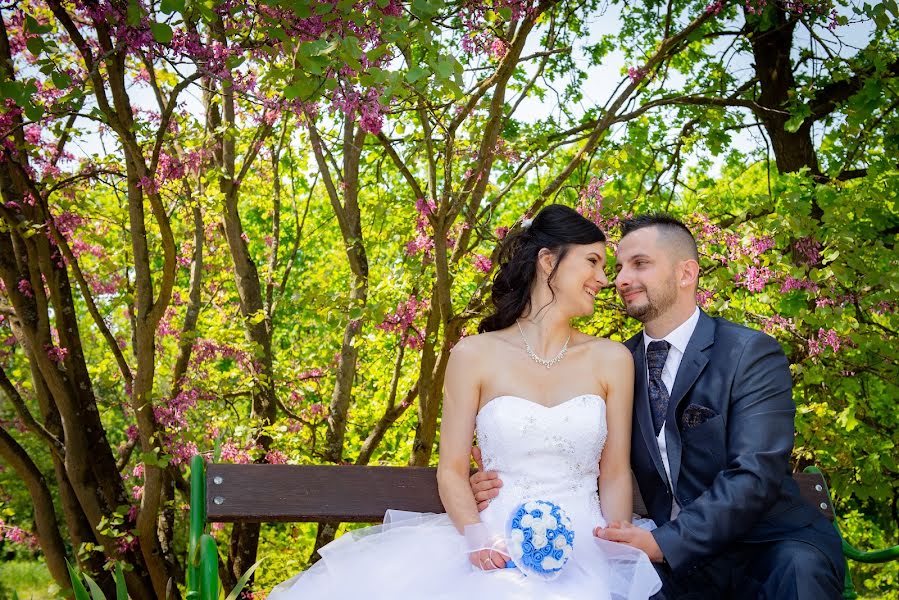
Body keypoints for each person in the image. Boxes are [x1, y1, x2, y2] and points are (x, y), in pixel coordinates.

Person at [269, 205, 662, 599]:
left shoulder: (613, 360)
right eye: (593, 261)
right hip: (493, 541)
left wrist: (615, 553)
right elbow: (452, 470)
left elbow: (614, 473)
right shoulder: (474, 355)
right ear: (547, 262)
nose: (604, 279)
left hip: (585, 544)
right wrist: (479, 540)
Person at [471, 214, 845, 599]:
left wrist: (663, 543)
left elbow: (755, 474)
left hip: (768, 547)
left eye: (640, 264)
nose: (619, 280)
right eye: (618, 268)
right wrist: (495, 481)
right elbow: (568, 448)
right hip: (677, 567)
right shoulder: (616, 364)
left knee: (801, 571)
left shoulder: (748, 353)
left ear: (686, 274)